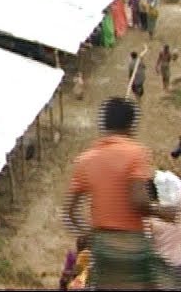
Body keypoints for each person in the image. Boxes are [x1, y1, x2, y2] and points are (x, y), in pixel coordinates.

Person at [64, 97, 170, 290]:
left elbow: (69, 212)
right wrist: (161, 212)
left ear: (104, 124)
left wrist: (88, 233)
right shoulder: (136, 153)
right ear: (131, 125)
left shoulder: (85, 159)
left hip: (103, 247)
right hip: (132, 246)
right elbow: (138, 201)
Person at [148, 172, 181, 289]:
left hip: (159, 268)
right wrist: (173, 176)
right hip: (177, 264)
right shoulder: (179, 208)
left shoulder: (150, 221)